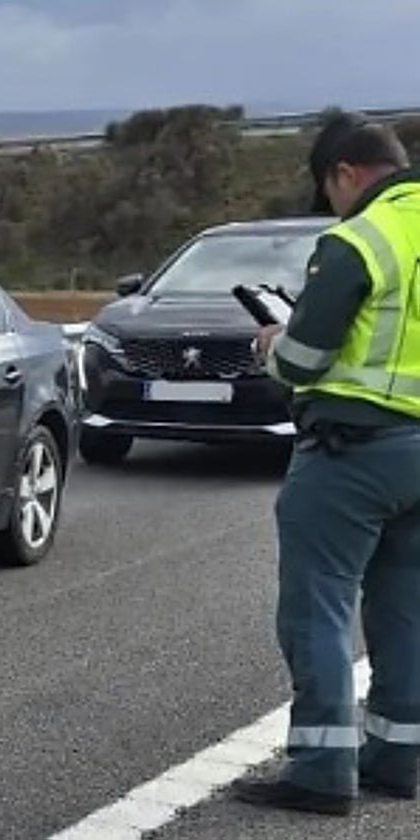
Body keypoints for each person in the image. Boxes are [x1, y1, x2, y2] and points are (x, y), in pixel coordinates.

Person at [235, 110, 420, 816]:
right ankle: (396, 760)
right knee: (405, 608)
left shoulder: (360, 240)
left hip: (354, 452)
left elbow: (306, 359)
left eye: (330, 190)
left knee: (318, 604)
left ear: (345, 173)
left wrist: (272, 343)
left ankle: (319, 771)